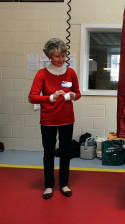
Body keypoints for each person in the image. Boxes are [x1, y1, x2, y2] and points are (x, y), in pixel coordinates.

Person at [28, 38, 81, 199]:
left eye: (63, 56)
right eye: (57, 56)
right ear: (49, 56)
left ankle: (64, 184)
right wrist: (50, 97)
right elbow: (32, 97)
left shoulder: (71, 72)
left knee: (65, 153)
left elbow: (78, 93)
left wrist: (73, 95)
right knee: (49, 153)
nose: (61, 60)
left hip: (67, 119)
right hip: (48, 120)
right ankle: (49, 185)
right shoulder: (42, 74)